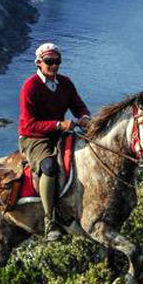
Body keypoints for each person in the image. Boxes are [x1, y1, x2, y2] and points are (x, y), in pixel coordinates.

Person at [18, 42, 91, 241]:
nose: (54, 65)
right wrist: (59, 125)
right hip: (34, 138)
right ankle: (50, 220)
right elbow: (29, 124)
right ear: (39, 63)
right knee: (49, 167)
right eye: (49, 61)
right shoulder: (30, 87)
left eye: (57, 61)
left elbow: (78, 105)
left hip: (59, 134)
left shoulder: (65, 83)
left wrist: (84, 116)